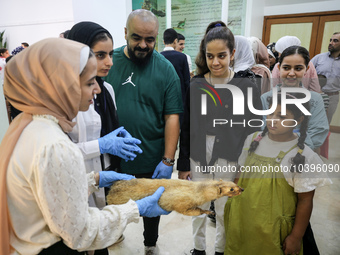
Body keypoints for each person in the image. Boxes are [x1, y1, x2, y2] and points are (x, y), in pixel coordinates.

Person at [0, 38, 169, 255]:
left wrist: (93, 180)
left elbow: (46, 191)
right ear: (63, 86)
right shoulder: (55, 146)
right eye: (90, 83)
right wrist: (135, 209)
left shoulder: (30, 126)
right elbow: (81, 234)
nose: (97, 89)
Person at [177, 21, 262, 255]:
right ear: (204, 55)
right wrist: (184, 163)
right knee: (199, 203)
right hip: (199, 150)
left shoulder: (246, 85)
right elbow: (187, 126)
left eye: (222, 56)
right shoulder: (196, 84)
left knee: (225, 207)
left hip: (231, 152)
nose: (216, 62)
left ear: (232, 54)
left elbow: (252, 129)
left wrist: (244, 164)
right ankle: (198, 248)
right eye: (210, 56)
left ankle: (221, 249)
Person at [104, 9, 182, 255]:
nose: (143, 45)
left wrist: (168, 160)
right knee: (114, 202)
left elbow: (172, 116)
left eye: (150, 39)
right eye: (137, 37)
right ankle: (114, 234)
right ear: (125, 33)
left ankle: (150, 244)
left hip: (151, 155)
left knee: (152, 207)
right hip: (113, 156)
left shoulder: (166, 69)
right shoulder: (109, 62)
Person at [66, 21, 143, 255]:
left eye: (110, 54)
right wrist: (101, 144)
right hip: (77, 180)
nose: (109, 62)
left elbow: (109, 125)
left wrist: (117, 139)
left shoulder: (106, 89)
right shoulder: (68, 96)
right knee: (83, 238)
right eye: (100, 55)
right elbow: (61, 152)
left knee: (101, 240)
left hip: (103, 176)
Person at [224, 92, 332, 255]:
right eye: (270, 113)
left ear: (298, 120)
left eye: (281, 116)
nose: (273, 120)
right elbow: (241, 171)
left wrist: (296, 237)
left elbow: (305, 200)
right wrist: (232, 199)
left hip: (273, 227)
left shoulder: (303, 156)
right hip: (243, 217)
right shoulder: (253, 140)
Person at [261, 46, 329, 151]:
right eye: (286, 68)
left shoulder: (315, 100)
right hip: (270, 152)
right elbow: (262, 129)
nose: (291, 73)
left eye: (298, 68)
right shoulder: (266, 98)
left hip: (301, 154)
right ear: (279, 68)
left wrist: (288, 145)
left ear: (306, 69)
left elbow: (318, 133)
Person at [161, 28, 190, 125]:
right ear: (175, 41)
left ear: (163, 41)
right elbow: (187, 81)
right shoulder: (182, 57)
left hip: (163, 100)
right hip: (179, 99)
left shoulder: (157, 57)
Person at [311, 32, 340, 123]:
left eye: (335, 41)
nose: (331, 43)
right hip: (316, 95)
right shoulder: (318, 58)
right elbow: (307, 74)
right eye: (330, 40)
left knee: (325, 123)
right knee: (310, 121)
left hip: (333, 96)